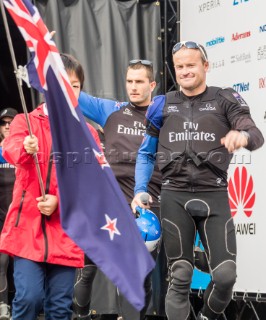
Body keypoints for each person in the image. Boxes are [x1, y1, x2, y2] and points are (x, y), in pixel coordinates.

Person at [131, 41, 264, 320]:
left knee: (226, 276)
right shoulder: (162, 104)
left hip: (213, 193)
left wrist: (243, 137)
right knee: (180, 273)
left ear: (206, 66)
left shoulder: (225, 98)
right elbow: (145, 153)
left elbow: (255, 133)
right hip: (173, 194)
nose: (185, 71)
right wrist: (140, 190)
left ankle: (205, 317)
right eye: (179, 66)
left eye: (191, 65)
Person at [0, 53, 101, 320]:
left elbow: (92, 184)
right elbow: (11, 149)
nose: (68, 90)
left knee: (59, 306)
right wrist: (24, 146)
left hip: (66, 231)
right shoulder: (26, 122)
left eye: (75, 85)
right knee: (29, 298)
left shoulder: (88, 133)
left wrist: (59, 200)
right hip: (27, 228)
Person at [73, 60, 166, 320]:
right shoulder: (111, 110)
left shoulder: (163, 114)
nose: (133, 88)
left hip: (146, 203)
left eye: (139, 82)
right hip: (108, 202)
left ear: (152, 85)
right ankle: (79, 315)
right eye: (129, 81)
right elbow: (70, 92)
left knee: (139, 274)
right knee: (88, 266)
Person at [0, 108, 18, 320]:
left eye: (10, 122)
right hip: (1, 218)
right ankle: (3, 305)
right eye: (3, 123)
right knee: (2, 262)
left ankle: (21, 304)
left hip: (22, 217)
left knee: (23, 265)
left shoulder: (26, 150)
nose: (6, 126)